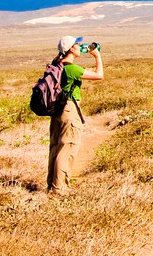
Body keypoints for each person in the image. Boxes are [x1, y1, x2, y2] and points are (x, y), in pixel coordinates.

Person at [47, 35, 104, 195]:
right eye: (78, 45)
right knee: (68, 148)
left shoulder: (57, 65)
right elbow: (99, 75)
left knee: (56, 148)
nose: (81, 47)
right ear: (71, 49)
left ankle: (52, 185)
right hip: (69, 109)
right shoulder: (71, 69)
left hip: (57, 110)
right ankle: (59, 189)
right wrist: (97, 56)